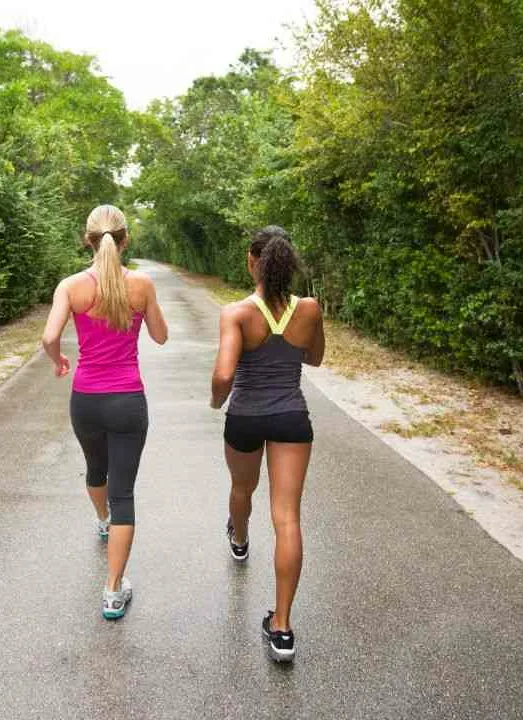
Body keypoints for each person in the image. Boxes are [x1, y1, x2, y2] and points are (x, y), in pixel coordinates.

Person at [41, 204, 168, 619]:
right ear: (125, 240)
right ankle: (113, 591)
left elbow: (49, 336)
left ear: (87, 240)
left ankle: (102, 520)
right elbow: (161, 337)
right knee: (125, 493)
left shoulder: (71, 287)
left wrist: (59, 361)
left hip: (87, 400)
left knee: (96, 470)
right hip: (128, 400)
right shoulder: (142, 284)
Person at [210, 225, 325, 662]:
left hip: (245, 416)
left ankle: (239, 541)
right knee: (287, 517)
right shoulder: (309, 309)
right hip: (291, 418)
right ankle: (282, 630)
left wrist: (216, 400)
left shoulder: (237, 313)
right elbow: (315, 358)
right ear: (287, 262)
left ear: (251, 260)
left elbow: (224, 375)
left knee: (243, 489)